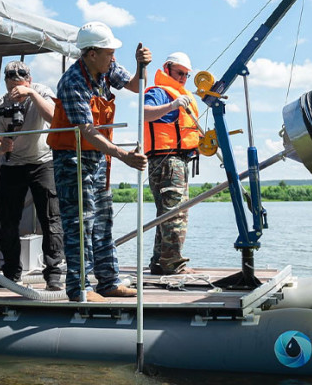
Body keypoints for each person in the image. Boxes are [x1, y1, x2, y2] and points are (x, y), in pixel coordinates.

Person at [46, 21, 150, 302]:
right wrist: (123, 155)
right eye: (109, 52)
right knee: (79, 222)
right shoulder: (72, 82)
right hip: (72, 159)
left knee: (103, 221)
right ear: (91, 53)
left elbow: (135, 86)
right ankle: (79, 288)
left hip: (99, 157)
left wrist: (141, 67)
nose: (113, 57)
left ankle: (108, 282)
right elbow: (87, 131)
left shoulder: (106, 70)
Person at [0, 60, 64, 291]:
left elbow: (55, 118)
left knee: (50, 219)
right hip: (13, 164)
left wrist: (31, 94)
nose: (15, 81)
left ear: (29, 79)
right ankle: (11, 274)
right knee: (8, 222)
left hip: (43, 162)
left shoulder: (41, 91)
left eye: (20, 78)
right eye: (10, 78)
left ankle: (53, 274)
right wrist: (3, 146)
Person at [143, 52, 200, 275]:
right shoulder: (160, 93)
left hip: (177, 160)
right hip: (167, 161)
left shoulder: (180, 95)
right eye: (179, 73)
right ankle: (173, 264)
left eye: (186, 75)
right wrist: (173, 104)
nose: (183, 78)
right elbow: (144, 113)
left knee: (167, 213)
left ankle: (160, 262)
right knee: (176, 213)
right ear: (167, 69)